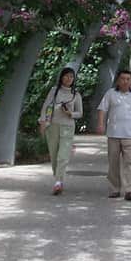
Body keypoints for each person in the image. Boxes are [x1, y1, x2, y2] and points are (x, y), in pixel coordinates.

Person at [96, 70, 131, 201]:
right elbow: (102, 109)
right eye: (123, 79)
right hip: (113, 133)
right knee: (113, 162)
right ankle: (114, 188)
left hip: (129, 134)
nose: (125, 81)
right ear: (118, 80)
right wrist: (101, 124)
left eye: (128, 79)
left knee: (130, 162)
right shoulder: (110, 94)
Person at [37, 67, 83, 195]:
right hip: (52, 126)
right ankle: (58, 178)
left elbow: (80, 113)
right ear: (62, 77)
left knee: (63, 155)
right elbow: (45, 107)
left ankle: (58, 182)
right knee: (54, 155)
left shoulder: (76, 94)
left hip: (68, 126)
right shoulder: (54, 91)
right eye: (66, 76)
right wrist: (42, 121)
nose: (69, 79)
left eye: (71, 77)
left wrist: (70, 113)